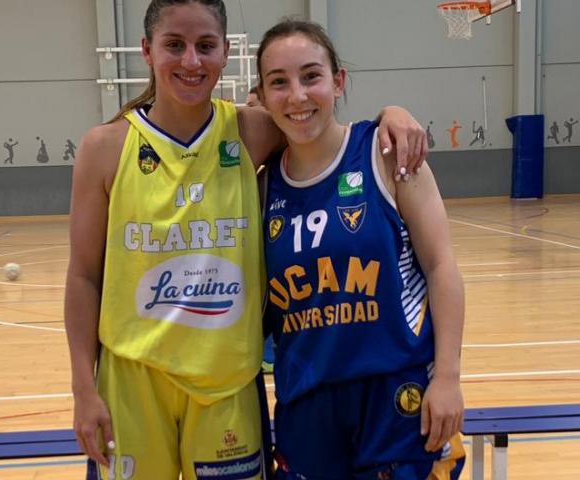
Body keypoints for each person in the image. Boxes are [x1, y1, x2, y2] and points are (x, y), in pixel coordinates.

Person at [64, 1, 429, 479]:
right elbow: (84, 277)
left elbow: (323, 122)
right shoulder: (105, 147)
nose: (191, 60)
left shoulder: (250, 131)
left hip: (227, 383)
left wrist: (390, 115)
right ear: (147, 51)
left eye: (205, 46)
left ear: (225, 53)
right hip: (132, 380)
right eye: (174, 45)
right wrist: (83, 388)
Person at [258, 20, 465, 479]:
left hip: (397, 393)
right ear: (263, 96)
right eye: (279, 82)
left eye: (311, 76)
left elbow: (441, 265)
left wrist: (448, 377)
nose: (297, 95)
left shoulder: (388, 153)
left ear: (338, 81)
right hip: (307, 403)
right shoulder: (262, 185)